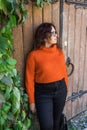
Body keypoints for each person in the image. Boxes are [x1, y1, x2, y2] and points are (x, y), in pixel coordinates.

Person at [25, 22, 68, 130]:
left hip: (60, 90)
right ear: (44, 37)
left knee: (57, 121)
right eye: (52, 33)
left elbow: (64, 72)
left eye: (55, 32)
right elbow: (29, 79)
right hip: (43, 94)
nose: (56, 35)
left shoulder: (59, 52)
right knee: (46, 126)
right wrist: (32, 101)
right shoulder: (33, 55)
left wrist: (65, 88)